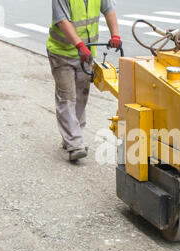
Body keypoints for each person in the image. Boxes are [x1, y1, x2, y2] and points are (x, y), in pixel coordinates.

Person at [47, 0, 120, 161]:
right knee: (67, 97)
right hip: (62, 53)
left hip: (86, 54)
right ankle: (75, 144)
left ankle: (72, 137)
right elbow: (62, 21)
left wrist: (115, 34)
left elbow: (109, 10)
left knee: (81, 97)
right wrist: (79, 45)